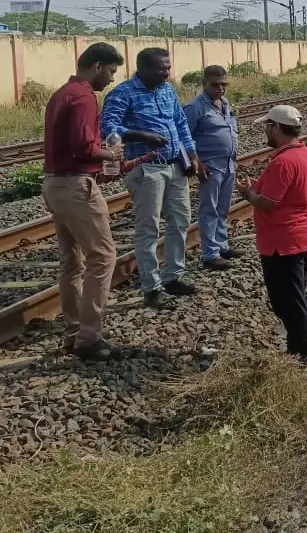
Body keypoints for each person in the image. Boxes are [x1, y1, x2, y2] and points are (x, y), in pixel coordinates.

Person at [41, 43, 126, 360]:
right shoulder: (84, 96)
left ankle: (75, 329)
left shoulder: (62, 93)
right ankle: (89, 338)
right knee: (103, 256)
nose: (111, 80)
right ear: (98, 66)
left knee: (72, 261)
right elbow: (82, 147)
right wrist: (111, 154)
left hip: (55, 183)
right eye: (111, 72)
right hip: (76, 187)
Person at [101, 47, 200, 308]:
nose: (167, 72)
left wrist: (191, 155)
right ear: (142, 67)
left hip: (174, 166)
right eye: (161, 68)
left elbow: (180, 123)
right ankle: (151, 287)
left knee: (180, 221)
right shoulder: (122, 93)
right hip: (147, 169)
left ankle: (172, 276)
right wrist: (141, 135)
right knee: (149, 228)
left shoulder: (167, 90)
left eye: (168, 67)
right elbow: (108, 128)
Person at [236, 105, 307, 365]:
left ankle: (300, 355)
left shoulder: (284, 162)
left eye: (267, 126)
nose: (265, 131)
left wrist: (248, 194)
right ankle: (298, 347)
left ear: (276, 127)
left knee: (288, 302)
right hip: (301, 236)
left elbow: (269, 202)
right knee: (295, 296)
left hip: (284, 243)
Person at [183, 66, 240, 270]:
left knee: (223, 208)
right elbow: (184, 137)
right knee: (209, 209)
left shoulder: (224, 103)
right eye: (215, 85)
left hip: (228, 163)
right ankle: (210, 254)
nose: (221, 88)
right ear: (204, 84)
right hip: (210, 166)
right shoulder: (195, 107)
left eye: (224, 84)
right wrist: (197, 162)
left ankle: (222, 245)